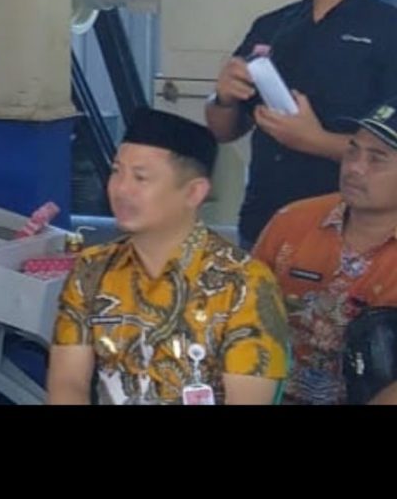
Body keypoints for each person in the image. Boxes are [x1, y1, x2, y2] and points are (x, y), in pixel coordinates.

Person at [47, 108, 290, 405]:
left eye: (141, 178)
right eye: (116, 171)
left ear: (194, 193)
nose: (121, 189)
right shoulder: (92, 269)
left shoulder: (244, 283)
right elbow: (68, 383)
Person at [206, 0, 397, 249]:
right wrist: (224, 98)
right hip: (264, 223)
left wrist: (316, 141)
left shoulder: (389, 32)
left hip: (350, 233)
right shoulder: (272, 26)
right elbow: (225, 130)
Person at [251, 97, 397, 405]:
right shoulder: (293, 221)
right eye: (352, 150)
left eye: (377, 159)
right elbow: (241, 319)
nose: (354, 168)